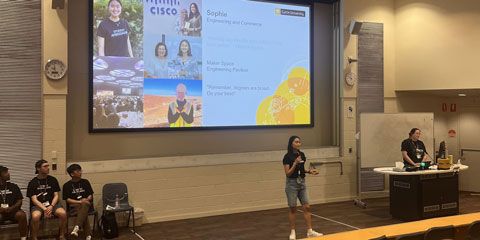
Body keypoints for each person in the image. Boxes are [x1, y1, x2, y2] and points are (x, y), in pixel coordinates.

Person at [283, 136, 322, 240]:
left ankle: (310, 231)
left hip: (302, 183)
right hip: (292, 184)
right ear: (291, 143)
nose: (298, 143)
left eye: (299, 142)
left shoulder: (302, 155)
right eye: (296, 142)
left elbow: (302, 169)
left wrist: (309, 171)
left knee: (307, 207)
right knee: (293, 208)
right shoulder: (287, 157)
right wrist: (295, 163)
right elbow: (288, 173)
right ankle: (292, 232)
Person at [27, 160, 67, 240]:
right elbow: (34, 199)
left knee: (63, 213)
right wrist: (45, 209)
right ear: (38, 168)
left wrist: (51, 206)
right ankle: (34, 237)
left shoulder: (53, 180)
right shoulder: (33, 182)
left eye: (48, 166)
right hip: (38, 206)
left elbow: (56, 195)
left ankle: (62, 235)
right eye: (45, 166)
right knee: (35, 216)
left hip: (52, 204)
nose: (48, 168)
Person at [63, 164, 94, 240]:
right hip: (74, 207)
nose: (80, 172)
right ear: (72, 174)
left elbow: (90, 195)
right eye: (78, 171)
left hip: (87, 204)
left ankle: (76, 228)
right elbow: (67, 199)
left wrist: (85, 200)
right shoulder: (66, 185)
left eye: (80, 170)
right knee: (84, 211)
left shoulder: (85, 182)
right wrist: (80, 202)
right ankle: (88, 236)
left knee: (84, 206)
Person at [0, 166, 27, 240]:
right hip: (0, 213)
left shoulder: (13, 186)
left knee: (22, 215)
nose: (9, 174)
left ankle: (23, 238)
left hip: (12, 212)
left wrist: (12, 208)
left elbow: (19, 200)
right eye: (6, 172)